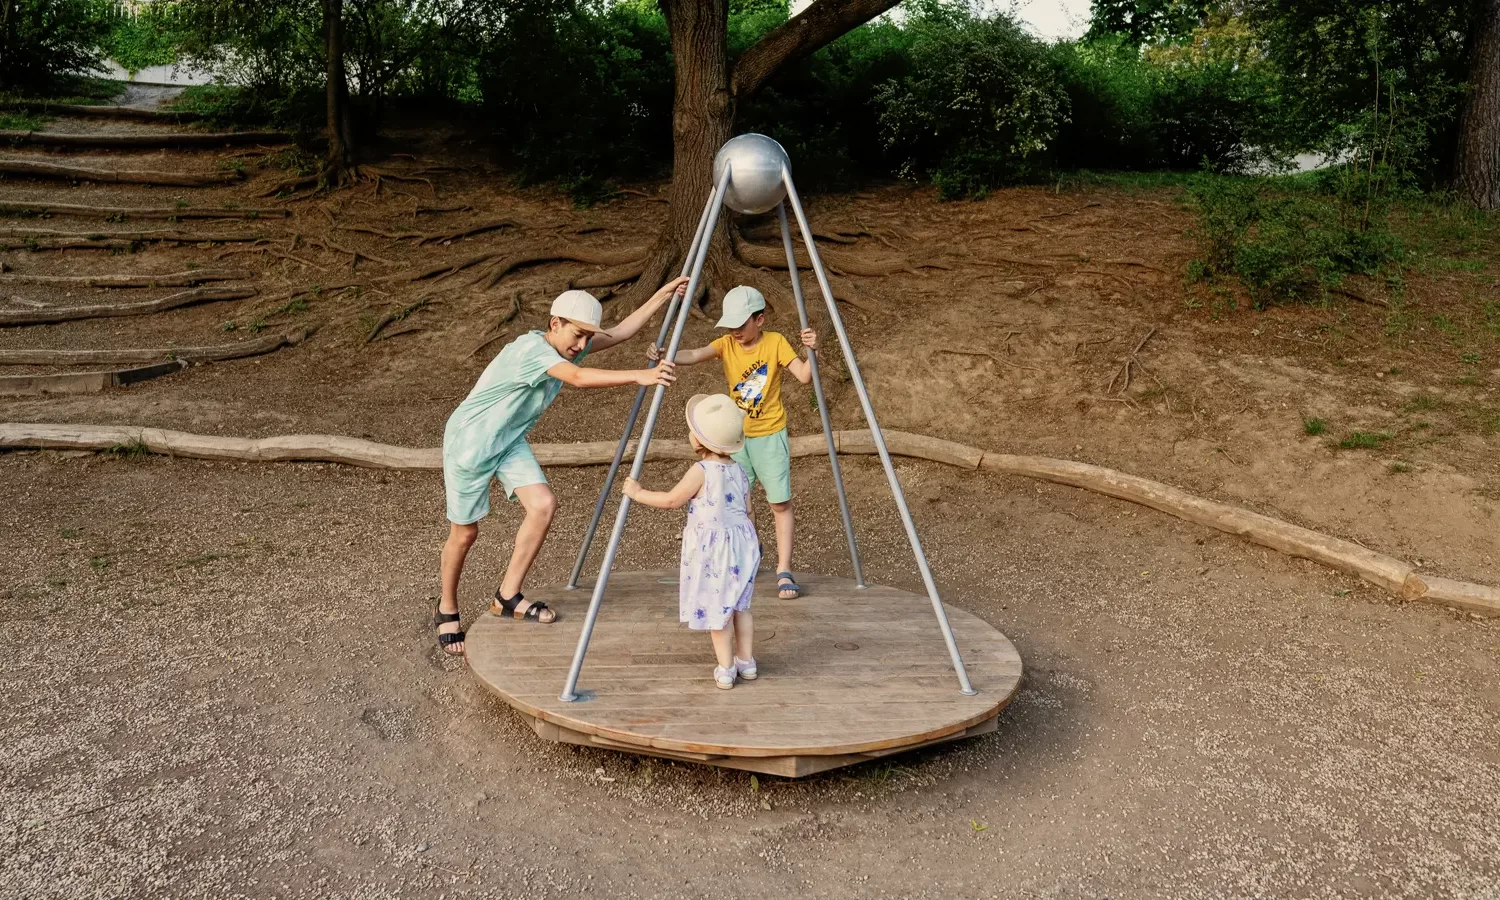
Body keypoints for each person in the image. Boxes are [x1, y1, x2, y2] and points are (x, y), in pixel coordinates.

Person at [434, 278, 687, 655]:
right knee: (465, 534)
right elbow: (579, 379)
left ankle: (507, 596)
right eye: (578, 335)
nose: (582, 345)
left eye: (587, 338)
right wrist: (640, 375)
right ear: (555, 324)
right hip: (471, 443)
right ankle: (446, 607)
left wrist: (661, 296)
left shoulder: (565, 347)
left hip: (508, 439)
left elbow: (617, 334)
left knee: (543, 505)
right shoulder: (532, 351)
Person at [649, 285, 816, 600]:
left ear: (760, 320)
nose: (735, 331)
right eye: (731, 325)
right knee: (739, 503)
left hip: (769, 434)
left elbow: (805, 376)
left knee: (779, 502)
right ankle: (751, 551)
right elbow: (696, 354)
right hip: (734, 437)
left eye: (741, 324)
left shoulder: (776, 343)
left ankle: (784, 569)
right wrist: (666, 354)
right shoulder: (726, 343)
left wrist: (812, 350)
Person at [623, 393, 761, 689]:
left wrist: (638, 493)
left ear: (699, 441)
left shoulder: (701, 471)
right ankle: (746, 662)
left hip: (716, 551)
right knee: (741, 606)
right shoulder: (739, 471)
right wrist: (754, 545)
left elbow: (673, 499)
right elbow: (749, 510)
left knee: (719, 608)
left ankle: (726, 668)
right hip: (742, 544)